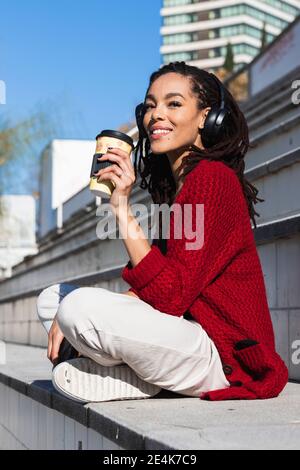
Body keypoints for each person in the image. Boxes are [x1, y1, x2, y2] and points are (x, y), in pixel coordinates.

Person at [36, 61, 288, 404]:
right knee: (55, 298)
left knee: (76, 308)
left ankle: (136, 375)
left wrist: (121, 206)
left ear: (205, 117)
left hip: (223, 357)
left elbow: (170, 297)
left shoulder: (212, 179)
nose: (157, 115)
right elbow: (160, 288)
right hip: (185, 340)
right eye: (150, 105)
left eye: (174, 103)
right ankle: (136, 380)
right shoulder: (178, 189)